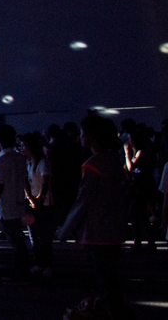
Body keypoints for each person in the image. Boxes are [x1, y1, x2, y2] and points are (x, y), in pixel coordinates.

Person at [60, 114, 132, 318]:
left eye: (82, 133)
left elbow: (83, 201)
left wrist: (66, 228)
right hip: (114, 229)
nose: (79, 137)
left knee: (104, 280)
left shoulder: (92, 165)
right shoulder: (113, 160)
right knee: (111, 279)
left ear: (92, 137)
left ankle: (113, 314)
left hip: (96, 231)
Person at [0, 125, 32, 285]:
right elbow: (25, 180)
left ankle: (21, 272)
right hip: (18, 203)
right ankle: (22, 270)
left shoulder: (1, 160)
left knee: (15, 242)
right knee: (19, 239)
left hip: (6, 206)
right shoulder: (19, 157)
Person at [21, 133, 56, 277]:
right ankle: (39, 263)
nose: (22, 148)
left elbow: (45, 182)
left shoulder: (42, 162)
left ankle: (47, 264)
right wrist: (30, 198)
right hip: (32, 202)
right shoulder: (28, 163)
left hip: (44, 203)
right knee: (33, 235)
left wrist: (39, 198)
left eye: (24, 146)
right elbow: (25, 181)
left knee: (44, 235)